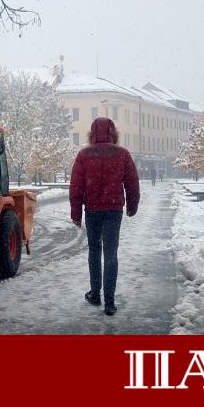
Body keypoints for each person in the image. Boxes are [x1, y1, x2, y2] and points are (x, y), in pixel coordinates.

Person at [69, 117, 139, 316]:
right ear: (113, 133)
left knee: (94, 251)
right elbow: (132, 183)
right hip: (113, 211)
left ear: (92, 134)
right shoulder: (122, 154)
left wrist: (76, 213)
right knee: (111, 254)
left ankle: (95, 294)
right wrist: (132, 206)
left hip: (92, 210)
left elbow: (76, 187)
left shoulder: (84, 155)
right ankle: (109, 302)